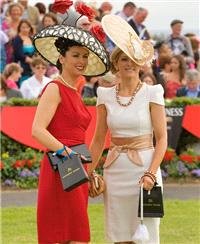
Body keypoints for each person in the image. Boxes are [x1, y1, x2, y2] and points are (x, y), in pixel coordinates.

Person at [31, 1, 110, 243]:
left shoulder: (75, 91)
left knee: (78, 234)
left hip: (77, 167)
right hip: (60, 167)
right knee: (60, 234)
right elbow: (37, 130)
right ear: (61, 58)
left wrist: (89, 169)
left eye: (85, 56)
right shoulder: (54, 88)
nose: (82, 61)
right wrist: (67, 154)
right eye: (76, 55)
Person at [89, 15, 167, 243]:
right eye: (123, 58)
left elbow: (161, 139)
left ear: (140, 62)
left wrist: (151, 173)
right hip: (115, 171)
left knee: (146, 235)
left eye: (133, 58)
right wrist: (88, 173)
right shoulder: (104, 95)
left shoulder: (153, 92)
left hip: (145, 171)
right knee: (119, 234)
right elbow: (97, 139)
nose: (129, 63)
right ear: (116, 64)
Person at [12, 19, 35, 86]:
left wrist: (35, 61)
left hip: (32, 67)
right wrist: (32, 61)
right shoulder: (17, 39)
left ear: (30, 28)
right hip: (21, 66)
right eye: (23, 27)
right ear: (19, 28)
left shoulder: (31, 38)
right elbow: (19, 54)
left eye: (27, 27)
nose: (25, 29)